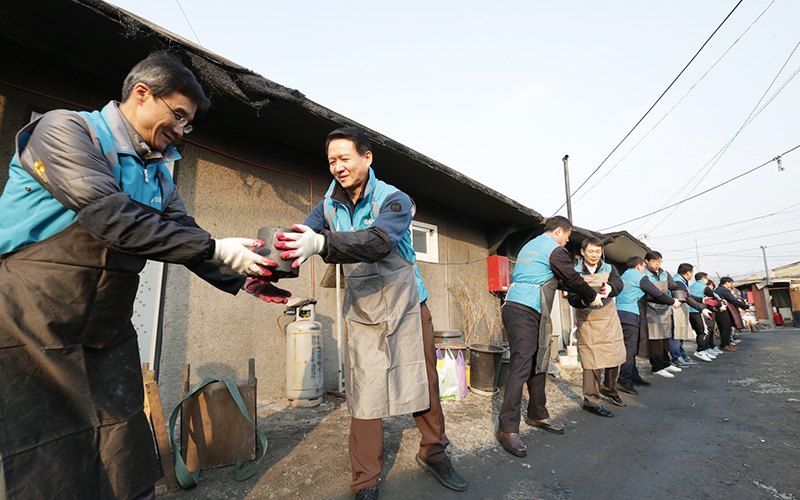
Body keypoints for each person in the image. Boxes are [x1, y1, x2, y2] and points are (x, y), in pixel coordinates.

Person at [0, 53, 286, 500]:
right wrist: (214, 247)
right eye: (178, 116)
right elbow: (107, 215)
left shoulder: (157, 173)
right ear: (141, 93)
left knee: (121, 443)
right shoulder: (66, 130)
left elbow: (183, 234)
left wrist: (243, 275)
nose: (181, 131)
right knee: (43, 453)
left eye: (187, 124)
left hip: (106, 326)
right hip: (30, 318)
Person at [272, 128, 466, 500]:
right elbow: (298, 240)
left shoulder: (394, 199)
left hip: (407, 306)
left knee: (424, 382)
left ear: (367, 157)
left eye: (345, 158)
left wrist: (323, 242)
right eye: (331, 161)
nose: (338, 167)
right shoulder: (327, 206)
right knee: (364, 393)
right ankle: (365, 479)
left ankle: (434, 453)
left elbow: (380, 241)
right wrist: (267, 263)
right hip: (362, 311)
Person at [496, 216, 598, 457]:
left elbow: (556, 279)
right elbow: (571, 278)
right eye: (567, 235)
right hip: (526, 308)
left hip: (524, 308)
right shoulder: (555, 250)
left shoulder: (530, 246)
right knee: (521, 364)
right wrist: (592, 296)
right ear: (559, 231)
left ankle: (537, 413)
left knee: (539, 361)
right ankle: (507, 427)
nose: (568, 240)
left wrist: (583, 288)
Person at [567, 237, 627, 417]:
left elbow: (619, 284)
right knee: (591, 361)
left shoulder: (609, 268)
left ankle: (609, 388)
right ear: (583, 252)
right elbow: (572, 297)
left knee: (614, 356)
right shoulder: (574, 271)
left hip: (608, 318)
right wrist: (585, 300)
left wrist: (610, 288)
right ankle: (591, 400)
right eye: (591, 251)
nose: (595, 255)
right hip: (588, 321)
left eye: (598, 251)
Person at [615, 255, 679, 388]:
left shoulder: (623, 276)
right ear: (639, 266)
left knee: (629, 347)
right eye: (643, 266)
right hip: (631, 314)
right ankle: (624, 379)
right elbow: (658, 294)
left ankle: (634, 376)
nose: (643, 269)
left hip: (618, 314)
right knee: (630, 349)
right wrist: (673, 302)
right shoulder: (640, 277)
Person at [642, 251, 684, 378]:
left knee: (666, 337)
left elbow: (674, 286)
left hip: (665, 308)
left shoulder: (665, 273)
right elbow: (647, 293)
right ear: (646, 261)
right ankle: (657, 367)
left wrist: (679, 298)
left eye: (659, 261)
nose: (657, 264)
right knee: (656, 339)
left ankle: (666, 363)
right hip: (650, 309)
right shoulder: (643, 274)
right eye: (654, 261)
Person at [672, 263, 713, 363]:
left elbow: (688, 296)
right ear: (688, 273)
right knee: (677, 335)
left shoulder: (682, 281)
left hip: (685, 310)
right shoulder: (678, 282)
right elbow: (685, 297)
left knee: (681, 335)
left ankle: (681, 354)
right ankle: (677, 357)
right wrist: (701, 308)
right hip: (677, 310)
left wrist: (702, 300)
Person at [715, 277, 750, 351]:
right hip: (723, 311)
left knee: (725, 328)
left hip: (722, 311)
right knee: (725, 328)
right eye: (730, 283)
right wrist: (745, 306)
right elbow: (733, 299)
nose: (731, 284)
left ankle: (727, 344)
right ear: (726, 282)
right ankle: (724, 345)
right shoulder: (723, 290)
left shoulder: (719, 289)